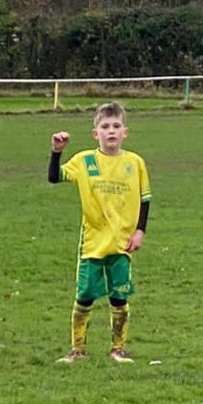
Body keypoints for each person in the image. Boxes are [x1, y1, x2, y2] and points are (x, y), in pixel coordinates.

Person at [48, 101, 152, 364]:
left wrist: (140, 231)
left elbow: (145, 199)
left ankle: (118, 348)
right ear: (96, 134)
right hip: (93, 243)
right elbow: (54, 177)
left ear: (125, 132)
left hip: (122, 243)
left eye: (116, 126)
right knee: (85, 295)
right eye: (105, 127)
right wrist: (56, 152)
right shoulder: (84, 161)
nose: (111, 131)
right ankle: (78, 350)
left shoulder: (135, 163)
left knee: (119, 296)